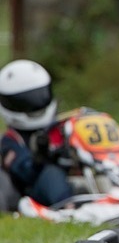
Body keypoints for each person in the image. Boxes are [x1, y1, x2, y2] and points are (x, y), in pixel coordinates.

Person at [0, 59, 71, 209]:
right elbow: (25, 171)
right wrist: (40, 157)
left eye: (41, 95)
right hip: (35, 190)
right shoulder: (11, 141)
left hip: (73, 178)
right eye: (27, 100)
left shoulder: (61, 127)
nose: (37, 103)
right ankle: (69, 207)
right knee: (51, 173)